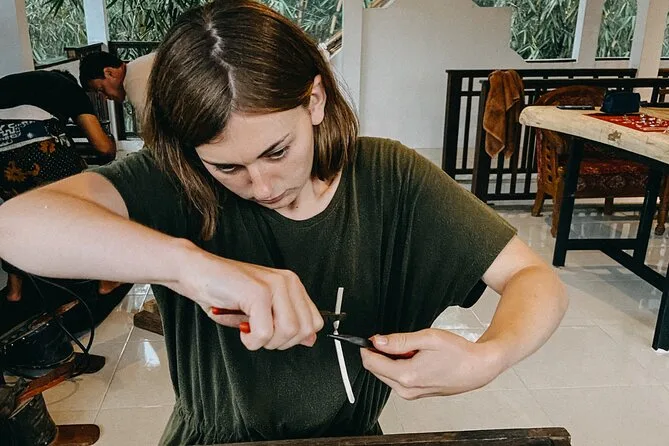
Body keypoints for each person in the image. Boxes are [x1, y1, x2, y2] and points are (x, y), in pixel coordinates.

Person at [0, 2, 568, 445]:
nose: (263, 187)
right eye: (228, 167)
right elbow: (15, 226)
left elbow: (534, 279)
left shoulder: (390, 177)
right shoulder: (176, 180)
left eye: (277, 151)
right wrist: (190, 267)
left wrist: (489, 355)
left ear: (314, 100)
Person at [0, 69, 118, 302]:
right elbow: (103, 148)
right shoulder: (68, 88)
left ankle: (14, 289)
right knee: (84, 204)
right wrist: (111, 144)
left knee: (16, 213)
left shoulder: (21, 82)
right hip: (37, 143)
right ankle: (105, 280)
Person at [78, 51, 155, 121]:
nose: (105, 97)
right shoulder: (139, 65)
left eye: (101, 89)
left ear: (109, 73)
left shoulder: (133, 83)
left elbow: (154, 128)